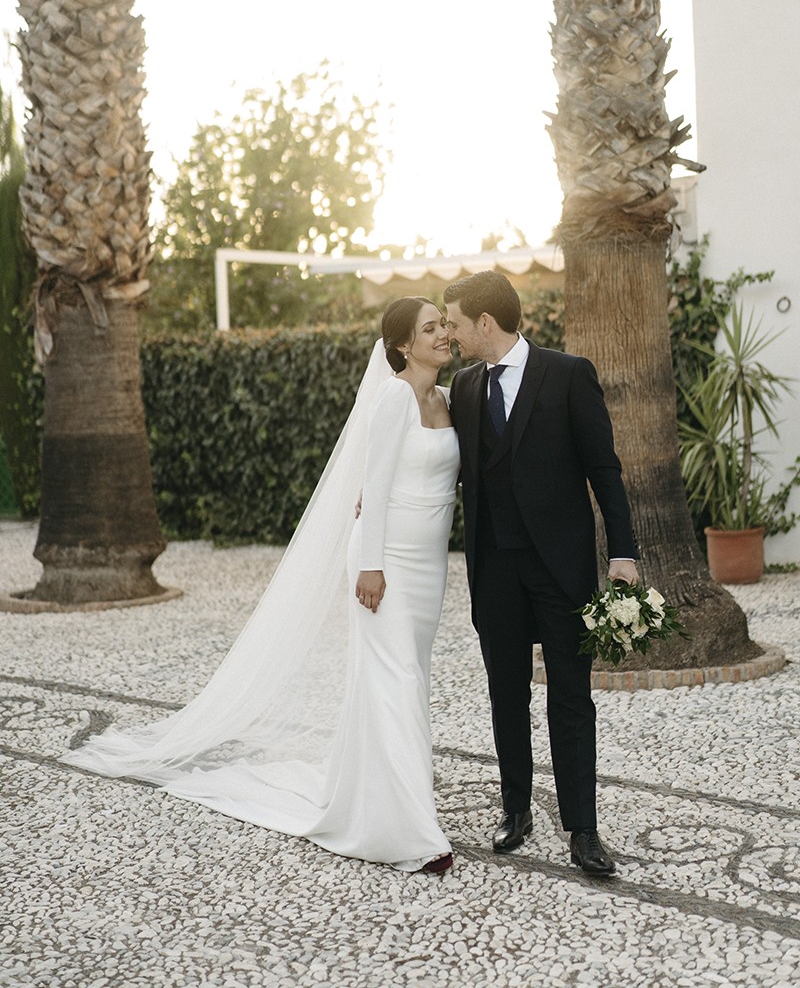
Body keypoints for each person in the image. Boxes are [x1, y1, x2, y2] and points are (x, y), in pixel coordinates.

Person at [64, 298, 458, 875]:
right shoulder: (393, 398)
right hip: (386, 564)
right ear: (402, 345)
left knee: (408, 677)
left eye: (444, 325)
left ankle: (394, 792)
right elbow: (371, 487)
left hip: (429, 566)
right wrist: (370, 564)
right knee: (391, 679)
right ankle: (406, 832)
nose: (444, 334)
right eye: (431, 328)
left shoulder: (445, 399)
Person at [443, 271, 638, 877]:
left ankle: (583, 829)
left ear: (484, 322)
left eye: (453, 322)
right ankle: (517, 810)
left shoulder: (568, 374)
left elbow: (604, 470)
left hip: (561, 568)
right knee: (506, 693)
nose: (448, 333)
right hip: (494, 570)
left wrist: (623, 554)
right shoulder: (465, 388)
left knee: (571, 700)